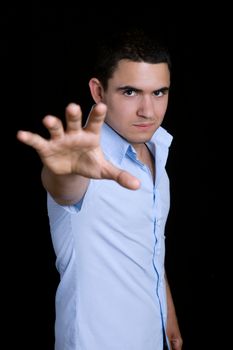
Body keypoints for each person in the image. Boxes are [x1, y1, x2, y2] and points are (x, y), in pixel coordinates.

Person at [17, 27, 183, 350]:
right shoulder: (85, 162)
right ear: (98, 91)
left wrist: (169, 320)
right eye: (130, 92)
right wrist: (62, 171)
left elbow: (150, 248)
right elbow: (64, 188)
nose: (148, 111)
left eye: (159, 92)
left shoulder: (157, 152)